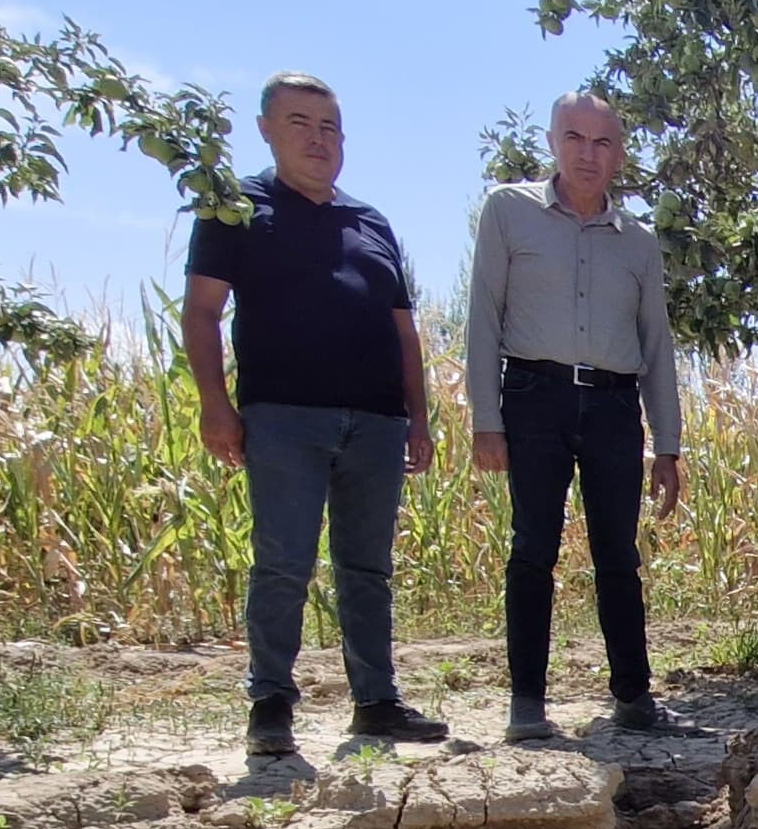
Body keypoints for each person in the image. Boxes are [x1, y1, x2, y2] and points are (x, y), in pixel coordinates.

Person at [183, 73, 448, 759]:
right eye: (300, 123)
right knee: (283, 562)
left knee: (367, 568)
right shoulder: (236, 208)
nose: (317, 139)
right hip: (283, 418)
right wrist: (216, 402)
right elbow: (203, 311)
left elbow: (404, 333)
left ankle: (377, 703)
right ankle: (270, 705)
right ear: (267, 129)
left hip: (376, 423)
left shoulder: (370, 222)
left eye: (330, 127)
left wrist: (418, 418)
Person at [465, 91, 691, 739]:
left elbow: (657, 344)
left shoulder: (639, 242)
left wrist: (668, 444)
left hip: (616, 407)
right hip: (534, 398)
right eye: (574, 138)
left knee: (618, 552)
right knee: (532, 548)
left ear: (619, 154)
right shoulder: (508, 211)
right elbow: (483, 317)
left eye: (602, 142)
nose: (587, 154)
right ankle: (527, 708)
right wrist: (487, 417)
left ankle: (634, 699)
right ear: (552, 142)